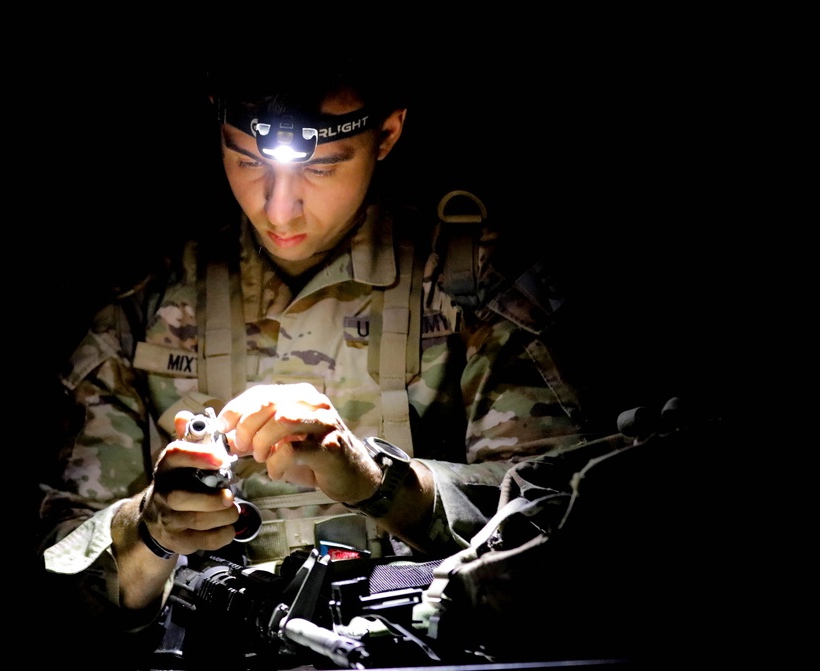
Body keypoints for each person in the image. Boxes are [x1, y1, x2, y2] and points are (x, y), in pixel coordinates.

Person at [36, 55, 604, 666]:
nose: (280, 209)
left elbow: (569, 521)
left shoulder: (474, 284)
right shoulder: (141, 303)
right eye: (246, 160)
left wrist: (381, 482)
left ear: (387, 133)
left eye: (323, 166)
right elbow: (53, 593)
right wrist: (150, 530)